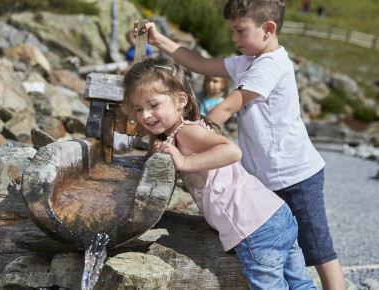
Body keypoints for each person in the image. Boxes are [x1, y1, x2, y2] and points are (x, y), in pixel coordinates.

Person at [134, 1, 347, 289]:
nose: (233, 38)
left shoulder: (271, 65)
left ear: (268, 29)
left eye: (239, 31)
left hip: (296, 173)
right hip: (266, 179)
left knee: (319, 251)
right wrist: (160, 40)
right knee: (288, 262)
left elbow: (226, 107)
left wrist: (190, 135)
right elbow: (199, 63)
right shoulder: (248, 61)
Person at [123, 57, 316, 289]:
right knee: (301, 284)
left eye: (153, 105)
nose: (145, 115)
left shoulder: (187, 132)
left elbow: (232, 151)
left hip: (253, 227)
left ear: (180, 100)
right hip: (274, 213)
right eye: (138, 108)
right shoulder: (184, 131)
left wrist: (182, 161)